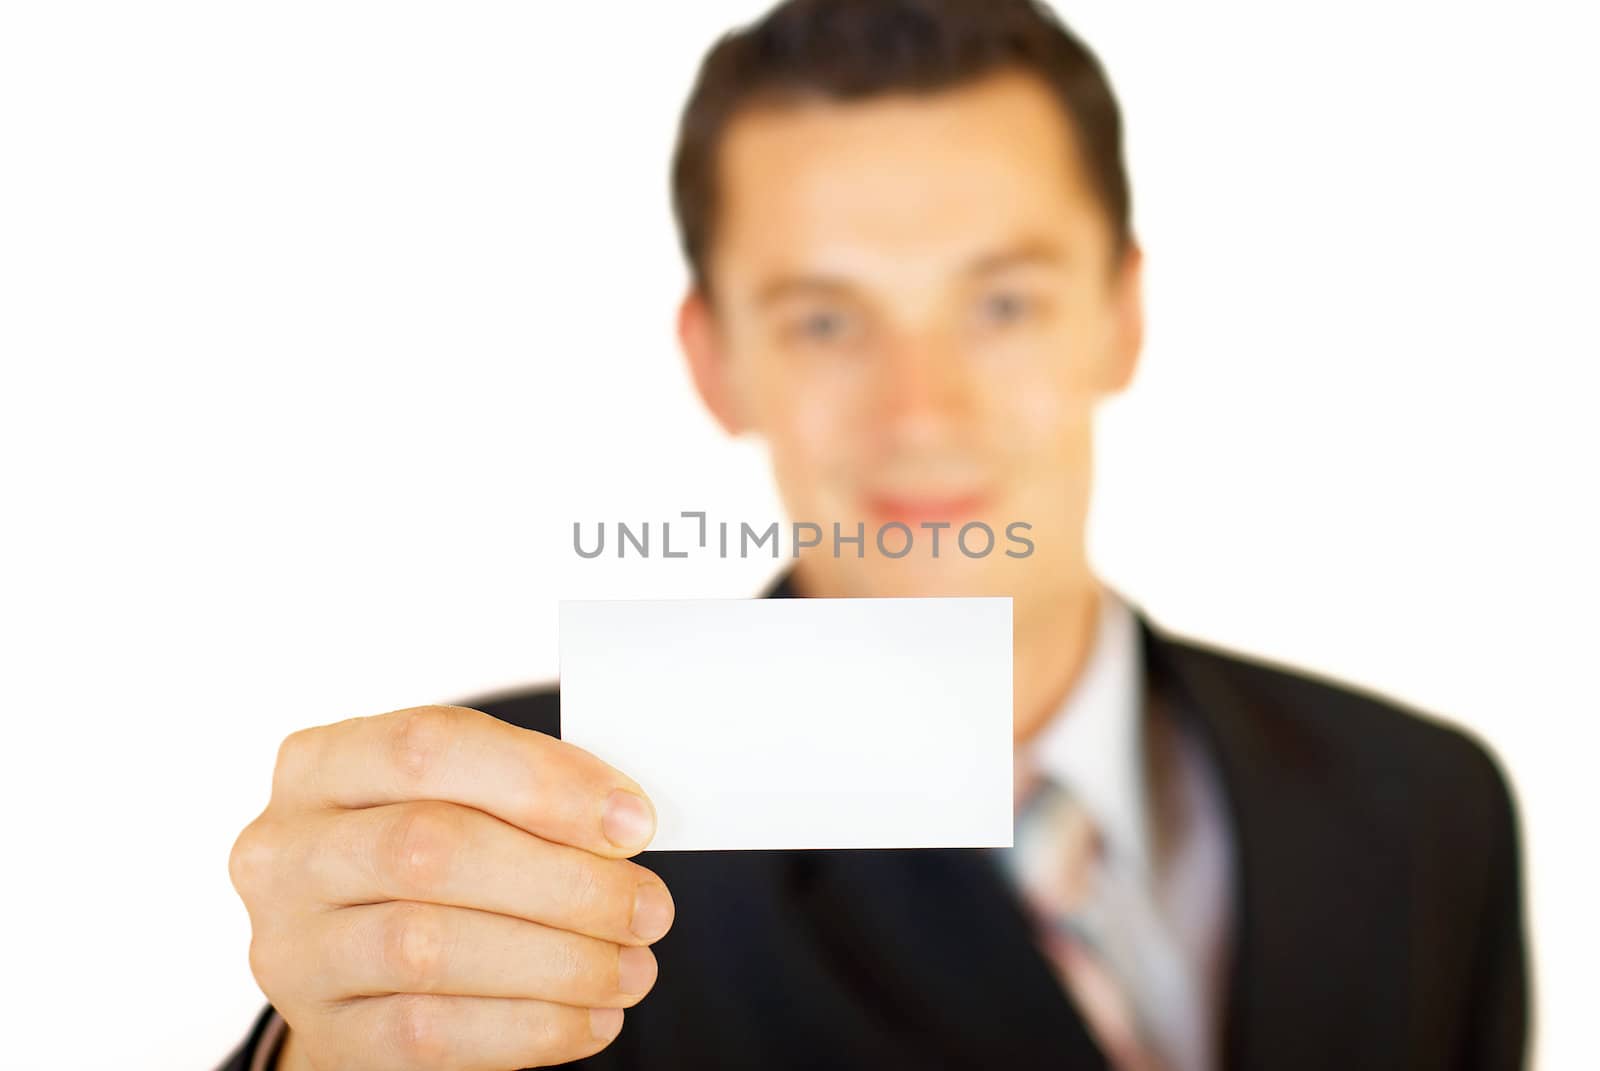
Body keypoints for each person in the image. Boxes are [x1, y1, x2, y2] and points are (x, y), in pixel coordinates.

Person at [220, 2, 1529, 1068]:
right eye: (827, 321)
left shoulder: (1424, 807)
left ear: (1122, 317)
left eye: (1003, 305)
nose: (922, 414)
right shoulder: (515, 851)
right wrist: (329, 1054)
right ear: (715, 361)